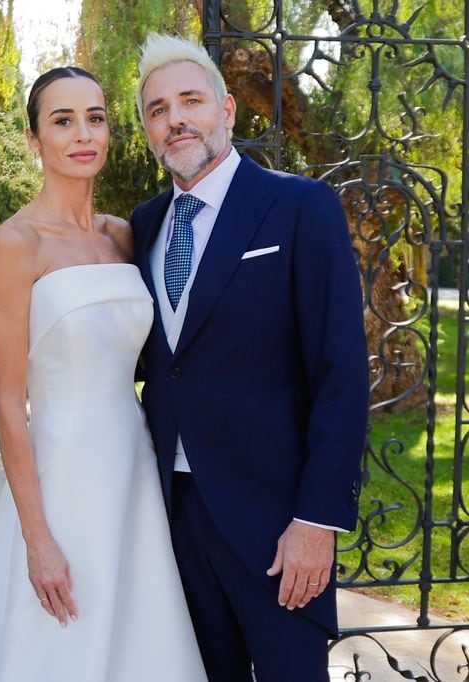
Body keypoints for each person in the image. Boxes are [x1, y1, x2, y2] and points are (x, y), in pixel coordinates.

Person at [0, 67, 207, 682]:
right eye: (62, 121)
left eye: (96, 117)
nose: (83, 134)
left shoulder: (124, 235)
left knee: (139, 640)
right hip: (61, 482)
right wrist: (37, 537)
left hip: (134, 471)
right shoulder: (15, 244)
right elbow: (8, 402)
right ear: (35, 139)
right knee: (60, 646)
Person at [130, 34, 369, 681]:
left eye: (190, 100)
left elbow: (341, 375)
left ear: (227, 110)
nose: (175, 118)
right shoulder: (143, 227)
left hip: (275, 525)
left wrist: (316, 521)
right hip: (171, 521)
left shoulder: (299, 207)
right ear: (149, 132)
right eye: (157, 109)